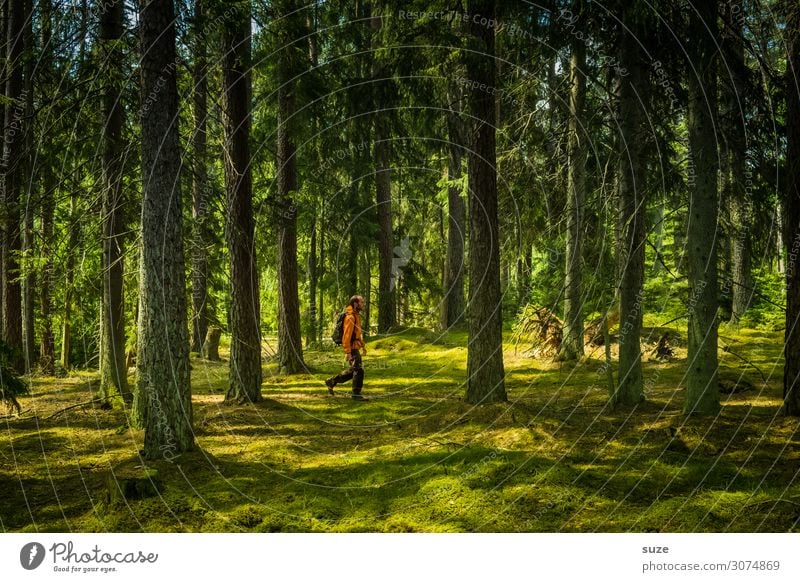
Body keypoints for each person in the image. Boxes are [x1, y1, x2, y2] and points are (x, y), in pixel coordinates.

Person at [326, 295, 368, 399]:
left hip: (355, 346)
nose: (363, 304)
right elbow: (346, 337)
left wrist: (362, 346)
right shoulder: (350, 317)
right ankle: (356, 394)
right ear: (355, 304)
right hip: (351, 348)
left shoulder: (356, 315)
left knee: (354, 370)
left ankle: (332, 381)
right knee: (359, 370)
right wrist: (348, 353)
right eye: (361, 302)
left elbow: (357, 334)